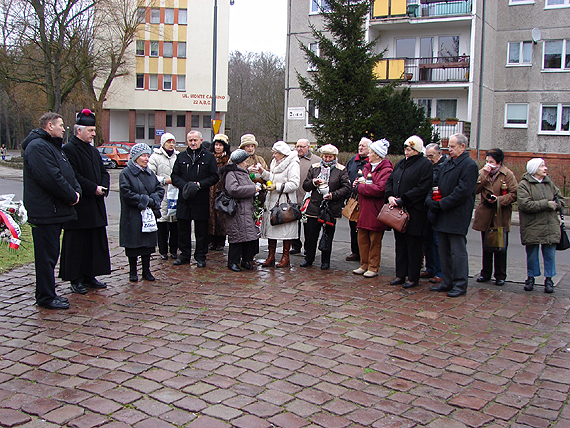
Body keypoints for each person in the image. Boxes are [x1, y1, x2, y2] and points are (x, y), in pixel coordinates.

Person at [22, 112, 81, 310]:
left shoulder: (53, 147)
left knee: (51, 254)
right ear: (49, 125)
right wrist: (71, 196)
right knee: (46, 257)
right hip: (45, 211)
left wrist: (76, 191)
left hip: (54, 210)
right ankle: (45, 296)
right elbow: (50, 178)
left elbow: (67, 173)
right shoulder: (37, 147)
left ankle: (48, 293)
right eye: (61, 125)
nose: (64, 128)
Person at [60, 109, 111, 294]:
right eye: (90, 130)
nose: (94, 133)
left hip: (96, 205)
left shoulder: (93, 151)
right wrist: (93, 188)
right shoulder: (68, 150)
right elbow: (74, 176)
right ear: (79, 130)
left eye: (94, 130)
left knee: (93, 243)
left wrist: (104, 186)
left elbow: (104, 172)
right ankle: (76, 278)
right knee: (77, 244)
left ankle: (90, 275)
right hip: (80, 206)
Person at [426, 133, 478, 297]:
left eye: (453, 146)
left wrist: (442, 204)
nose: (450, 150)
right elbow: (436, 183)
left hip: (457, 214)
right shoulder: (448, 163)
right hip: (442, 214)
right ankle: (447, 281)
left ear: (463, 146)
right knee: (444, 251)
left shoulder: (469, 165)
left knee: (457, 252)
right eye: (449, 147)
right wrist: (431, 200)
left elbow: (462, 191)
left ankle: (460, 284)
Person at [385, 135, 433, 289]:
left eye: (410, 149)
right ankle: (400, 274)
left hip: (415, 212)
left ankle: (413, 277)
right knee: (400, 244)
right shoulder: (401, 163)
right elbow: (390, 181)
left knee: (413, 245)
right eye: (406, 148)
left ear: (417, 150)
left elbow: (422, 187)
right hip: (398, 211)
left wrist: (403, 199)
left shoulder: (425, 165)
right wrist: (390, 195)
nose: (407, 151)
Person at [171, 131, 219, 268]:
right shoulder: (181, 157)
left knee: (201, 230)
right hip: (184, 198)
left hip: (201, 198)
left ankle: (200, 256)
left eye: (195, 140)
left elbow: (214, 176)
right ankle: (184, 255)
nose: (193, 143)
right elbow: (174, 176)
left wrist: (199, 185)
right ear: (187, 141)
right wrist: (185, 186)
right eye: (190, 140)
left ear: (200, 140)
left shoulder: (209, 157)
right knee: (183, 229)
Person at [518, 158, 564, 293]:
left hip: (550, 225)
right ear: (534, 169)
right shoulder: (524, 185)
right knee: (532, 254)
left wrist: (557, 204)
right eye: (542, 166)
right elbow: (525, 204)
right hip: (532, 225)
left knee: (549, 254)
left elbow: (560, 199)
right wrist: (546, 204)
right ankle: (531, 277)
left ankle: (549, 279)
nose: (545, 168)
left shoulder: (549, 183)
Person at [300, 144, 351, 269]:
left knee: (327, 234)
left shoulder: (340, 169)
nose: (327, 159)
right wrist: (313, 182)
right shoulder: (314, 167)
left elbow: (347, 187)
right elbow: (305, 185)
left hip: (330, 208)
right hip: (314, 206)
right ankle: (309, 258)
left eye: (330, 157)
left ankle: (325, 261)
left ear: (334, 157)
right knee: (311, 235)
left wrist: (333, 195)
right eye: (325, 156)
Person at [472, 148, 518, 286]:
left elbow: (514, 193)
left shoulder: (507, 174)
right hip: (486, 213)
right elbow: (474, 189)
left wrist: (499, 200)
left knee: (500, 245)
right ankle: (485, 273)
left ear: (498, 162)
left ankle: (500, 275)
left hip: (500, 213)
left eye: (491, 162)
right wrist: (484, 175)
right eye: (487, 161)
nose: (489, 164)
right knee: (486, 245)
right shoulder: (483, 173)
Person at [119, 143, 165, 282]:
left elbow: (159, 189)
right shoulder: (126, 173)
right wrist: (145, 200)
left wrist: (154, 199)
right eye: (143, 156)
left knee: (147, 244)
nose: (146, 159)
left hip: (148, 216)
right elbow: (127, 193)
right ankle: (133, 271)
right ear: (135, 157)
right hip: (132, 215)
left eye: (147, 155)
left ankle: (146, 270)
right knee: (133, 244)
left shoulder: (150, 173)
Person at [255, 141, 300, 268]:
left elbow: (295, 183)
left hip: (285, 201)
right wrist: (263, 172)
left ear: (283, 154)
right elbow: (272, 177)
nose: (273, 155)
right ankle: (271, 256)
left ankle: (285, 257)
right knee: (272, 226)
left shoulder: (293, 163)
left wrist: (278, 186)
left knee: (286, 229)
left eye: (276, 153)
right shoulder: (275, 162)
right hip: (272, 199)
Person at [352, 139, 393, 278]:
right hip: (364, 208)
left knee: (375, 240)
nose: (369, 153)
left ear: (378, 154)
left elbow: (379, 189)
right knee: (362, 238)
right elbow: (363, 184)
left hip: (376, 210)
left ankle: (373, 266)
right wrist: (357, 184)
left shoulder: (387, 170)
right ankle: (364, 264)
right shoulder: (367, 167)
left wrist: (361, 187)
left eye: (371, 151)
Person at [220, 149, 260, 272]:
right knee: (237, 237)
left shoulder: (244, 172)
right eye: (245, 160)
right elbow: (233, 190)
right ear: (240, 162)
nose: (247, 162)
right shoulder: (231, 173)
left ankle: (246, 260)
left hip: (247, 208)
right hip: (237, 210)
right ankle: (233, 262)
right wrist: (253, 189)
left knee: (248, 237)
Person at [148, 132, 178, 260]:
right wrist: (164, 180)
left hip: (175, 194)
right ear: (163, 143)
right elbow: (150, 175)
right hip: (162, 193)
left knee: (175, 225)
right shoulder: (155, 157)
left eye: (173, 142)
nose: (171, 145)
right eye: (168, 142)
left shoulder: (177, 156)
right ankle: (163, 250)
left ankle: (174, 250)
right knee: (162, 225)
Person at [422, 143, 448, 284]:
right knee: (428, 241)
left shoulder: (445, 166)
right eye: (427, 156)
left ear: (439, 154)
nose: (429, 159)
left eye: (431, 156)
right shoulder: (429, 166)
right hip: (427, 208)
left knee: (438, 243)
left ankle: (440, 272)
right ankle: (430, 268)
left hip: (437, 208)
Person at [291, 138, 320, 255]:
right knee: (294, 225)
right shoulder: (292, 159)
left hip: (308, 199)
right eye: (297, 146)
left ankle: (308, 248)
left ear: (308, 147)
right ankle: (296, 246)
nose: (299, 149)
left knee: (309, 227)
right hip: (293, 197)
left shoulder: (316, 161)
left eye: (302, 146)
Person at [345, 137, 370, 261]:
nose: (360, 148)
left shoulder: (371, 163)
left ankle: (366, 253)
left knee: (365, 227)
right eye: (359, 145)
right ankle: (355, 251)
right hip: (353, 198)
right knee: (352, 225)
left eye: (363, 146)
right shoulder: (352, 161)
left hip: (366, 200)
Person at [208, 133, 230, 251]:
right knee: (210, 217)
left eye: (220, 145)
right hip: (209, 191)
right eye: (216, 145)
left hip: (223, 191)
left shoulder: (228, 160)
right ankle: (211, 240)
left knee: (221, 216)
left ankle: (220, 241)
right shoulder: (209, 158)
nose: (218, 147)